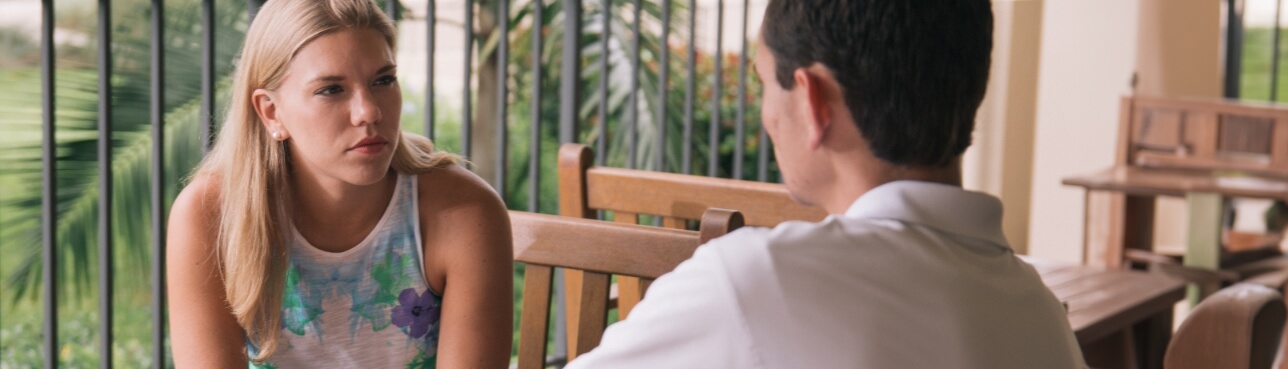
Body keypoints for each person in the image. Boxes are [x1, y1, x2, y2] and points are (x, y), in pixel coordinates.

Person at [566, 0, 1086, 368]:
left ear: (812, 101)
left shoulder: (755, 281)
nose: (766, 112)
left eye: (764, 81)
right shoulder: (1041, 315)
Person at [166, 0, 512, 367]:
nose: (370, 111)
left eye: (383, 80)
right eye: (331, 89)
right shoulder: (210, 216)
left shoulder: (464, 213)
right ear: (271, 112)